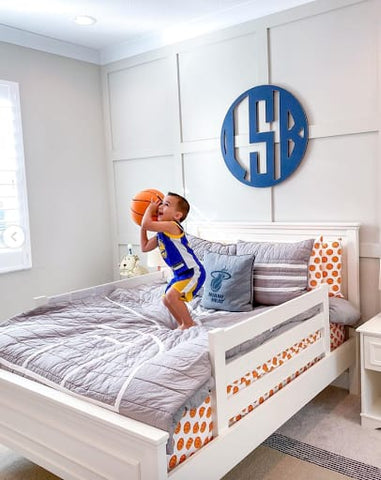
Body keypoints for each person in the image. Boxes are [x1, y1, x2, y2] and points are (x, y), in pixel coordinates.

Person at [140, 192, 205, 330]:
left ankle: (189, 323)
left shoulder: (173, 226)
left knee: (172, 295)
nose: (160, 206)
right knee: (166, 299)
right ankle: (182, 324)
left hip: (192, 272)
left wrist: (148, 211)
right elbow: (144, 247)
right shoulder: (161, 235)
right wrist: (142, 227)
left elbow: (147, 223)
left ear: (177, 216)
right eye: (161, 203)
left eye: (166, 204)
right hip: (179, 274)